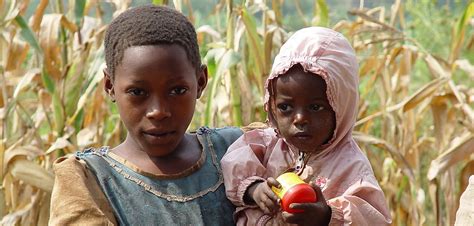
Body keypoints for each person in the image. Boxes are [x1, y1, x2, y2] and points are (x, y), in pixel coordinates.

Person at [49, 5, 242, 225]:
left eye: (177, 91)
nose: (158, 111)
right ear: (110, 85)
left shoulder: (238, 150)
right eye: (138, 92)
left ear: (200, 82)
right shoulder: (88, 181)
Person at [221, 27, 392, 225]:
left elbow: (373, 218)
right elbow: (234, 165)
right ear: (273, 106)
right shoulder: (266, 143)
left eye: (315, 107)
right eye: (285, 107)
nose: (300, 118)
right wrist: (255, 190)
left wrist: (327, 216)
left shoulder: (352, 168)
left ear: (341, 108)